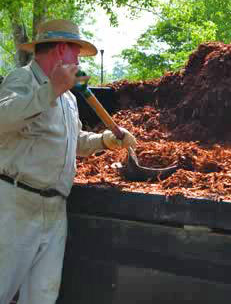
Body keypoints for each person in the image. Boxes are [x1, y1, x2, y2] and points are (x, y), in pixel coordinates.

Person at [0, 19, 137, 304]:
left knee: (42, 296)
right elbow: (3, 119)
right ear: (62, 50)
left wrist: (104, 141)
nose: (78, 60)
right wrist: (50, 90)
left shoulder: (69, 99)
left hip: (54, 209)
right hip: (16, 205)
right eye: (76, 53)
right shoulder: (22, 80)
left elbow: (73, 142)